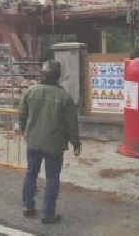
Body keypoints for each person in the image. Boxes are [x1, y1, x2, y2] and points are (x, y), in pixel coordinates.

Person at [19, 60, 81, 224]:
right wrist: (76, 143)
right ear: (58, 77)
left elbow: (22, 115)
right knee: (52, 177)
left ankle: (27, 206)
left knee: (31, 173)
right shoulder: (65, 97)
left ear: (43, 74)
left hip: (33, 141)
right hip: (54, 145)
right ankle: (47, 214)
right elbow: (71, 124)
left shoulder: (30, 91)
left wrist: (24, 132)